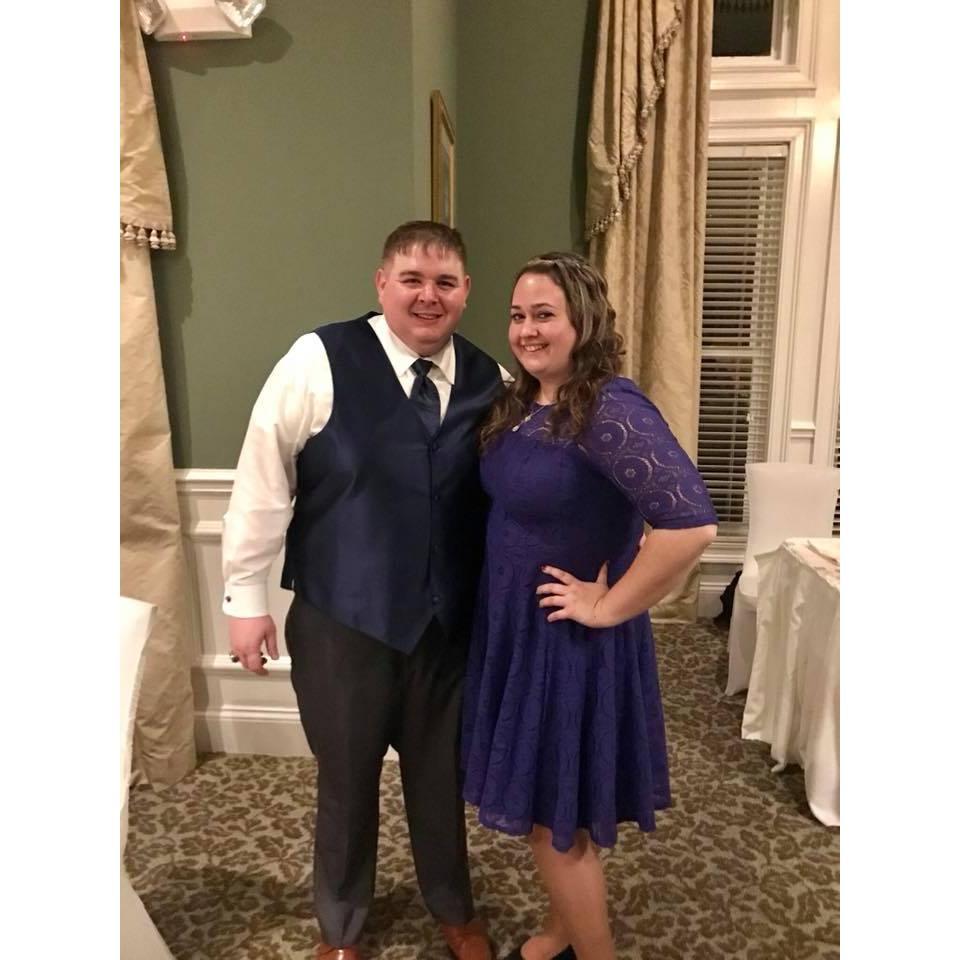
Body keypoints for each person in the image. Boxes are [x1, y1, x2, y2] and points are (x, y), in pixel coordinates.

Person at [221, 221, 509, 960]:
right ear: (382, 283)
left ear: (466, 292)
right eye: (411, 278)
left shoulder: (493, 380)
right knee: (346, 780)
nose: (427, 295)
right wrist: (244, 598)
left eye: (445, 282)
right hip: (341, 620)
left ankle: (453, 906)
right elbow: (262, 481)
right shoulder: (316, 359)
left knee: (441, 777)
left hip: (447, 628)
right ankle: (342, 927)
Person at [461, 252, 718, 960]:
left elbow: (691, 526)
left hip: (565, 638)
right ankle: (562, 929)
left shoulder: (609, 407)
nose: (526, 329)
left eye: (545, 315)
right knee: (554, 805)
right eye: (518, 315)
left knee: (554, 820)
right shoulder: (526, 402)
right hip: (517, 629)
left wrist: (608, 607)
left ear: (584, 320)